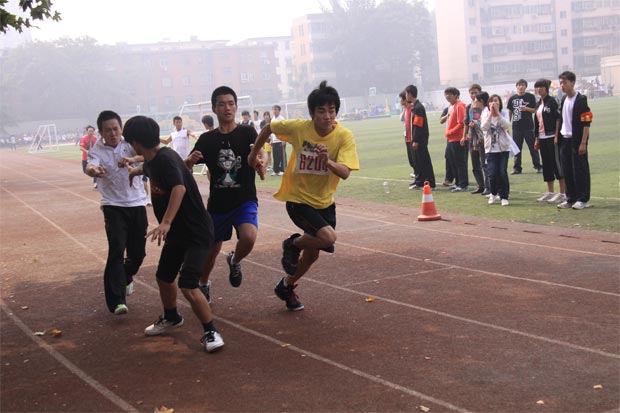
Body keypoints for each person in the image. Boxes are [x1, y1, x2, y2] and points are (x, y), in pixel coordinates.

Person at [248, 81, 360, 311]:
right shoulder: (299, 128)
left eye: (331, 110)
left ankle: (286, 285)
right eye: (321, 111)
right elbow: (269, 128)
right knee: (328, 237)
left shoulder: (344, 136)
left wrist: (326, 161)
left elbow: (346, 173)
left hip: (324, 203)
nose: (327, 116)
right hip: (298, 199)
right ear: (312, 113)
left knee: (312, 256)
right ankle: (292, 243)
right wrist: (253, 156)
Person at [123, 115, 224, 353]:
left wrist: (166, 222)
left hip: (196, 231)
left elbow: (178, 187)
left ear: (136, 142)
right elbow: (146, 167)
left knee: (188, 284)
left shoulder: (166, 159)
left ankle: (211, 331)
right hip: (179, 233)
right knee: (164, 276)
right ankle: (171, 316)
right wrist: (133, 172)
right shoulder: (153, 159)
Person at [185, 86, 266, 303]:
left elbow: (261, 151)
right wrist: (189, 163)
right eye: (222, 104)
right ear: (214, 108)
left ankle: (235, 260)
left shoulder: (247, 132)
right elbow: (189, 164)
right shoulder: (207, 140)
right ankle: (203, 283)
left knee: (249, 237)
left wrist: (262, 163)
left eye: (231, 103)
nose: (227, 108)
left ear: (236, 107)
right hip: (218, 204)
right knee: (211, 251)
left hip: (245, 199)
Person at [84, 110, 148, 315]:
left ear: (121, 128)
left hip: (137, 204)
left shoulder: (130, 145)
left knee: (138, 254)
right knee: (117, 249)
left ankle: (126, 277)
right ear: (101, 132)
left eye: (116, 129)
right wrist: (94, 171)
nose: (112, 133)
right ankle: (117, 301)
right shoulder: (97, 149)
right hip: (113, 206)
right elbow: (90, 166)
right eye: (108, 130)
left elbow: (147, 156)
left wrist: (131, 160)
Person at [555, 71, 593, 210]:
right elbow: (561, 119)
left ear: (572, 82)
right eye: (560, 83)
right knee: (567, 170)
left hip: (577, 140)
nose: (562, 85)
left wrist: (583, 142)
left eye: (565, 82)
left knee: (580, 170)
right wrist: (557, 136)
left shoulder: (580, 100)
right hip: (565, 140)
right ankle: (570, 198)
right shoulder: (564, 99)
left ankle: (583, 199)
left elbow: (586, 122)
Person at [533, 78, 566, 204]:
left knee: (557, 164)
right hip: (542, 137)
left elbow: (558, 119)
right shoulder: (538, 104)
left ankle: (563, 193)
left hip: (552, 136)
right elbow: (536, 122)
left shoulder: (552, 101)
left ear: (546, 88)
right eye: (537, 87)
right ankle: (550, 192)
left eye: (541, 87)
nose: (539, 89)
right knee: (546, 165)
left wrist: (557, 135)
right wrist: (537, 138)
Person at [507, 79, 542, 174]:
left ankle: (538, 166)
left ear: (525, 86)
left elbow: (535, 110)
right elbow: (510, 112)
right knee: (517, 148)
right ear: (516, 86)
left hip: (529, 126)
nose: (521, 87)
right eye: (519, 85)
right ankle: (517, 168)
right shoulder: (512, 98)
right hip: (516, 127)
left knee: (533, 147)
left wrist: (526, 108)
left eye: (522, 85)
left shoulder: (530, 97)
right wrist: (507, 125)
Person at [482, 94, 511, 206]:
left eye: (496, 101)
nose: (494, 103)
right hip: (491, 149)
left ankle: (504, 196)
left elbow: (507, 125)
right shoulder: (485, 114)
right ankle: (493, 193)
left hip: (503, 148)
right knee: (492, 173)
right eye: (492, 101)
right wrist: (490, 115)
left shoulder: (504, 113)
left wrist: (498, 114)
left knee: (502, 172)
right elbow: (484, 127)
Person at [405, 85, 435, 189]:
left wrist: (416, 140)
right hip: (418, 139)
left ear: (409, 94)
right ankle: (420, 182)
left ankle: (430, 183)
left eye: (406, 94)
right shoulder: (415, 106)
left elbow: (418, 125)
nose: (406, 96)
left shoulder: (418, 108)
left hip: (420, 140)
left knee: (424, 161)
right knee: (418, 161)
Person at [462, 84, 489, 195]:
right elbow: (467, 123)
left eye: (475, 93)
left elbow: (480, 123)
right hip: (472, 137)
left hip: (481, 138)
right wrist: (464, 135)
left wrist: (481, 135)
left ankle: (488, 186)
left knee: (484, 163)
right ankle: (480, 185)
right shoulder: (469, 107)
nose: (473, 95)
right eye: (471, 93)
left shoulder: (483, 107)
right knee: (475, 164)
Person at [444, 87, 468, 192]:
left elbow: (461, 123)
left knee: (460, 162)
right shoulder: (451, 106)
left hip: (457, 138)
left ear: (456, 95)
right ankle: (458, 182)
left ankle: (463, 184)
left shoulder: (459, 106)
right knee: (452, 161)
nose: (447, 96)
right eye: (446, 94)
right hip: (451, 139)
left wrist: (450, 132)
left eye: (450, 94)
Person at [399, 90, 416, 184]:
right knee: (411, 159)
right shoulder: (406, 110)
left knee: (415, 159)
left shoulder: (413, 109)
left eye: (401, 99)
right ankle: (416, 175)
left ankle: (419, 177)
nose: (400, 101)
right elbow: (401, 119)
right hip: (407, 138)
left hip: (412, 138)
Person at [271, 105, 286, 176]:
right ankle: (275, 170)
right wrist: (271, 140)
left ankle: (282, 170)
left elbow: (284, 130)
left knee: (281, 156)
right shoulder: (272, 119)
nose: (274, 111)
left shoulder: (282, 119)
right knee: (275, 156)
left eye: (276, 109)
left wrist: (284, 140)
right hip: (274, 141)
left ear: (279, 110)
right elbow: (272, 130)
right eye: (273, 109)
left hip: (280, 140)